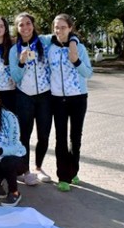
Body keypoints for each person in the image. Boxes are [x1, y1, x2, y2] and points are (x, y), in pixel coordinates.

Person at [48, 13, 93, 192]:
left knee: (75, 137)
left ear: (70, 28)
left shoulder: (79, 48)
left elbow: (88, 73)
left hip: (78, 98)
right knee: (60, 138)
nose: (59, 31)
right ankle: (63, 176)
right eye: (56, 27)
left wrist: (76, 60)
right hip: (57, 98)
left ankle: (73, 170)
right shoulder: (49, 46)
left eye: (63, 27)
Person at [9, 12, 53, 184]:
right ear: (17, 28)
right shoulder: (14, 49)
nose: (25, 27)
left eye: (28, 23)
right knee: (24, 135)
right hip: (24, 96)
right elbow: (16, 77)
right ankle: (25, 170)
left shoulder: (45, 42)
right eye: (21, 25)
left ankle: (39, 167)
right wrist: (20, 62)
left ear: (33, 25)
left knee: (44, 134)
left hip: (45, 95)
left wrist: (73, 41)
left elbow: (64, 32)